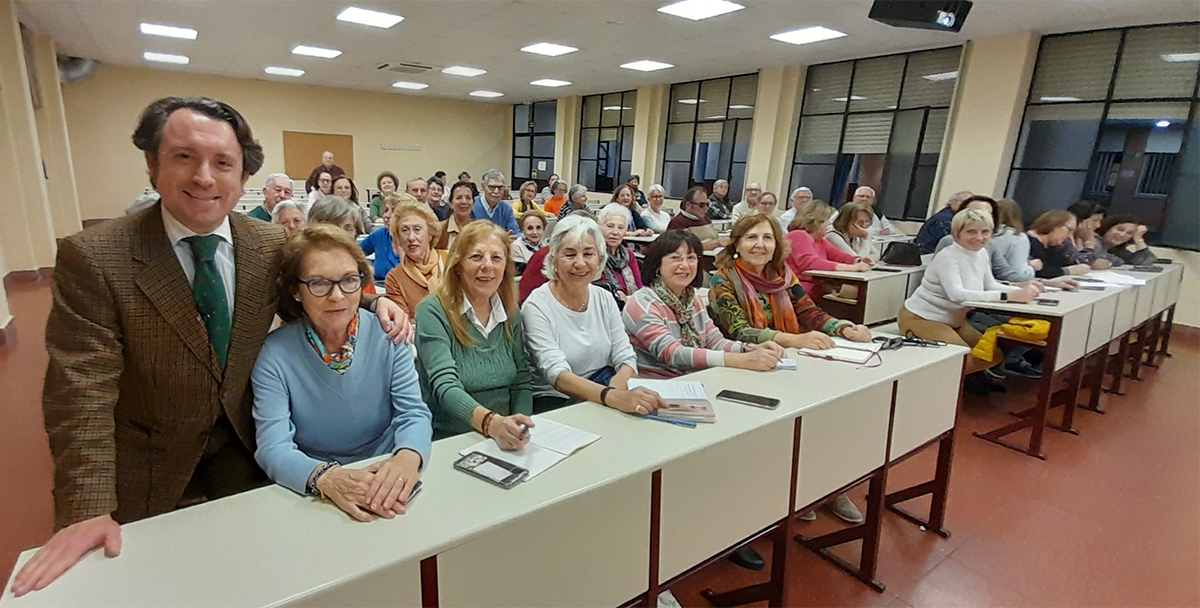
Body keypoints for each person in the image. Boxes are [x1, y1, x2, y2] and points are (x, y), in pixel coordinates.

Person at [12, 96, 411, 597]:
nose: (204, 177)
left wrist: (375, 306)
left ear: (244, 177)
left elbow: (311, 297)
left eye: (223, 163)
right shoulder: (95, 257)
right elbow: (80, 392)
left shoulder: (267, 246)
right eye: (184, 156)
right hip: (147, 464)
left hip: (245, 453)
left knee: (261, 579)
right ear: (152, 164)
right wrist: (87, 508)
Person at [251, 225, 432, 521]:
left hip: (388, 469)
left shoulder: (389, 335)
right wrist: (327, 479)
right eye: (319, 283)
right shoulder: (274, 353)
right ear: (296, 290)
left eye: (349, 280)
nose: (337, 296)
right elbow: (273, 447)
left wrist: (407, 458)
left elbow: (413, 413)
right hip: (315, 484)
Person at [707, 213, 871, 527]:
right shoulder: (723, 279)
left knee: (828, 412)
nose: (760, 244)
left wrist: (843, 328)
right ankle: (791, 490)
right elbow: (739, 330)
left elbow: (807, 311)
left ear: (776, 244)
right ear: (737, 243)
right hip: (746, 366)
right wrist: (794, 339)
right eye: (751, 238)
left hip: (791, 360)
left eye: (767, 238)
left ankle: (827, 485)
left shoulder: (782, 274)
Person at [522, 214, 667, 415]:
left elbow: (625, 356)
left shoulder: (604, 298)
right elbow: (557, 374)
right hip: (558, 401)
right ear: (554, 259)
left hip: (606, 388)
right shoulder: (536, 305)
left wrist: (616, 391)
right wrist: (611, 397)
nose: (580, 263)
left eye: (588, 254)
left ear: (600, 259)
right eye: (570, 255)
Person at [415, 222, 535, 445]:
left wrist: (520, 425)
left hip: (505, 435)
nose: (487, 266)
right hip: (450, 438)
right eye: (476, 257)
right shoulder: (433, 311)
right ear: (458, 265)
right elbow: (445, 385)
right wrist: (491, 424)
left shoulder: (510, 311)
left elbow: (521, 380)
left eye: (496, 258)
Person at [623, 230, 786, 379]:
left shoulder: (692, 298)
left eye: (691, 258)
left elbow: (715, 342)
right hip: (657, 386)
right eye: (675, 258)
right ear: (657, 264)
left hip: (696, 378)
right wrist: (740, 359)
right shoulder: (642, 302)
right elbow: (672, 354)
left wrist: (748, 349)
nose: (685, 265)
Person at [899, 209, 1038, 375]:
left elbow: (990, 285)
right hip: (920, 318)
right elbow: (957, 295)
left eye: (985, 232)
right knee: (961, 358)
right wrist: (1007, 296)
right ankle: (930, 384)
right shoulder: (948, 257)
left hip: (954, 321)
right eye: (971, 231)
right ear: (957, 234)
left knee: (993, 355)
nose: (979, 237)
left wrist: (1022, 291)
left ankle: (944, 382)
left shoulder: (981, 254)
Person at [785, 202, 870, 297]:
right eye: (827, 220)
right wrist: (852, 268)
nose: (829, 224)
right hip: (799, 290)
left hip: (818, 287)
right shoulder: (798, 235)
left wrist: (858, 260)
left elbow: (840, 256)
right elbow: (809, 263)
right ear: (817, 221)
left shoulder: (819, 241)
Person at [385, 200, 448, 321]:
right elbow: (405, 322)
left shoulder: (450, 261)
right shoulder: (394, 278)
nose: (411, 237)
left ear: (430, 234)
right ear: (398, 238)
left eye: (417, 229)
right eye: (404, 230)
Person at [596, 203, 644, 305]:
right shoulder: (595, 254)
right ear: (600, 227)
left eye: (621, 228)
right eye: (610, 226)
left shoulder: (628, 254)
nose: (615, 232)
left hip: (631, 305)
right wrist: (618, 292)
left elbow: (639, 285)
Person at [359, 193, 410, 282]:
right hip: (380, 288)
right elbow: (356, 252)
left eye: (393, 211)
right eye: (386, 211)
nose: (387, 216)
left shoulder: (416, 239)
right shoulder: (380, 234)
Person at [1027, 210, 1090, 278]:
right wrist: (1069, 271)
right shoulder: (1027, 242)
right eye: (1069, 230)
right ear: (1055, 224)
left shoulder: (1052, 247)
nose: (1069, 236)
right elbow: (1041, 272)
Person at [667, 186, 729, 251]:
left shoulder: (705, 219)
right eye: (702, 205)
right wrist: (716, 244)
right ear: (688, 205)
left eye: (707, 204)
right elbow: (684, 248)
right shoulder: (678, 222)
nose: (705, 208)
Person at [1065, 200, 1118, 269]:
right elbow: (1079, 262)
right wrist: (1089, 242)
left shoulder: (1093, 238)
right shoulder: (1063, 239)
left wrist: (1108, 263)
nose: (1098, 225)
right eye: (1094, 221)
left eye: (1099, 221)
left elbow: (1114, 259)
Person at [830, 186, 899, 237]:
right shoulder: (844, 210)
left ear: (873, 200)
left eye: (868, 197)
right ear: (854, 198)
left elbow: (892, 229)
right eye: (861, 196)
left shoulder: (877, 213)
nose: (864, 199)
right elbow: (830, 227)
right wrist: (878, 232)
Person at [472, 169, 521, 235]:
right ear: (483, 187)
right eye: (492, 187)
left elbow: (516, 233)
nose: (496, 191)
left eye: (500, 187)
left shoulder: (506, 209)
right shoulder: (471, 205)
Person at [436, 180, 477, 249]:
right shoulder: (439, 229)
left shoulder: (478, 230)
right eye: (459, 198)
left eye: (468, 198)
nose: (464, 201)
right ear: (451, 203)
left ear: (473, 204)